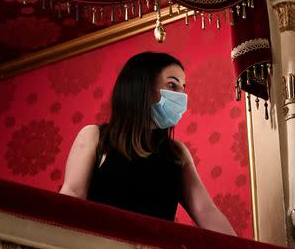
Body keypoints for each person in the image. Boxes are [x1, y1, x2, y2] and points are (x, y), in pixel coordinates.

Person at [60, 52, 235, 235]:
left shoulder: (177, 152)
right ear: (142, 86)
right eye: (172, 85)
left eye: (183, 88)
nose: (182, 97)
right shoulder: (94, 136)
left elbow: (206, 211)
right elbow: (72, 195)